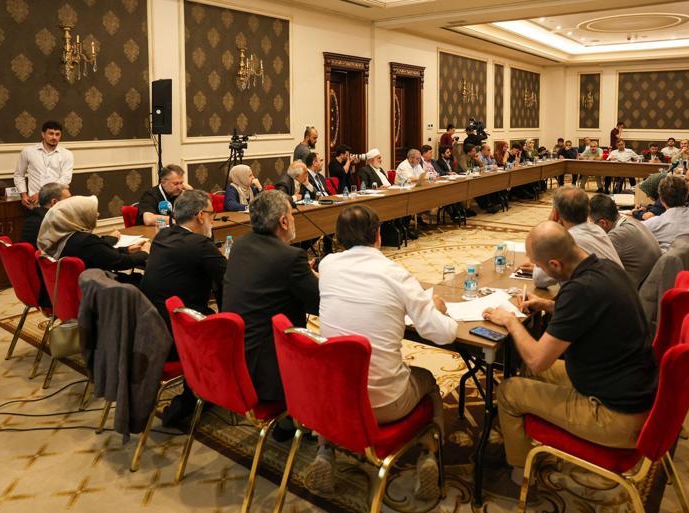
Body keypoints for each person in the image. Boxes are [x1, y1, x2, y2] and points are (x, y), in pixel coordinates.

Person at [483, 221, 656, 498]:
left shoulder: (579, 290)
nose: (537, 269)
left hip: (615, 416)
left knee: (508, 391)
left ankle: (519, 478)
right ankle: (527, 444)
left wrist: (511, 322)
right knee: (527, 371)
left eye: (539, 265)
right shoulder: (606, 268)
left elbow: (539, 360)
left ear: (555, 264)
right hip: (628, 388)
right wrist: (548, 304)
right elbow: (589, 309)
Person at [306, 204, 457, 498]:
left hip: (335, 398)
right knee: (428, 380)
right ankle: (429, 452)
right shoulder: (395, 274)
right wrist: (438, 309)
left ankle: (324, 451)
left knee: (342, 376)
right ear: (378, 234)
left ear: (338, 238)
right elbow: (443, 334)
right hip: (386, 403)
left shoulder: (328, 266)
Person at [222, 190, 319, 405]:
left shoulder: (240, 245)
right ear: (283, 221)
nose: (294, 219)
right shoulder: (290, 257)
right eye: (292, 214)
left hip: (237, 358)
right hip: (270, 372)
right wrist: (317, 278)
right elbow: (319, 304)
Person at [140, 189, 227, 329]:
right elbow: (229, 278)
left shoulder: (162, 235)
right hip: (185, 322)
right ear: (200, 216)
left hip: (153, 319)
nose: (213, 220)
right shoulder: (201, 244)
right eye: (211, 214)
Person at [517, 186, 623, 288]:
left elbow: (540, 280)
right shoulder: (597, 229)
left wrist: (551, 225)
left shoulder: (568, 239)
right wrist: (543, 267)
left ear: (556, 214)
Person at [37, 195, 149, 277]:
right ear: (79, 217)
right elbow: (121, 262)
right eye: (90, 212)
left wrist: (127, 249)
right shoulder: (85, 241)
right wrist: (144, 252)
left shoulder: (63, 238)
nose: (97, 214)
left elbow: (101, 255)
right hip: (101, 292)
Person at [589, 194, 661, 288]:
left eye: (592, 224)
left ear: (603, 223)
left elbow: (594, 268)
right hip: (651, 283)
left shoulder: (616, 235)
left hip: (639, 291)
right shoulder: (631, 221)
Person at [13, 120, 73, 210]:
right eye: (51, 133)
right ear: (43, 134)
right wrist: (24, 195)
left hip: (57, 203)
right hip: (34, 203)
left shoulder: (67, 154)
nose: (54, 137)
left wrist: (42, 194)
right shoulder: (28, 151)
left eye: (57, 134)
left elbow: (66, 179)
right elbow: (19, 175)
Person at [457, 145, 501, 213]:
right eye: (473, 151)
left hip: (471, 178)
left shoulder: (472, 158)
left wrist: (477, 160)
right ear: (468, 152)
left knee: (482, 187)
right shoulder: (462, 158)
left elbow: (482, 165)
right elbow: (466, 170)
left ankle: (489, 205)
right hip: (462, 180)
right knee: (477, 189)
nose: (475, 152)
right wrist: (477, 168)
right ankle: (487, 206)